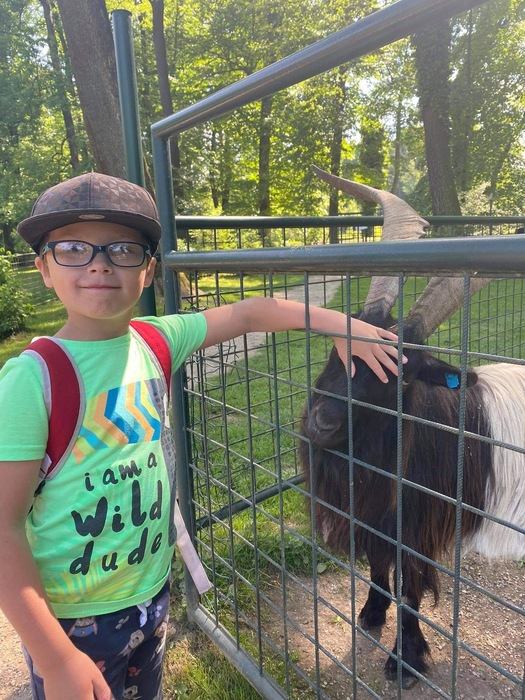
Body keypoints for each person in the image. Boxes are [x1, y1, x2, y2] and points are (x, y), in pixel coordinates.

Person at [0, 173, 403, 700]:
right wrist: (54, 659)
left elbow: (249, 312)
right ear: (44, 268)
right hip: (73, 621)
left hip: (151, 593)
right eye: (73, 248)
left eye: (122, 249)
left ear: (148, 269)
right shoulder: (31, 381)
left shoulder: (157, 340)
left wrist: (337, 324)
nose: (99, 264)